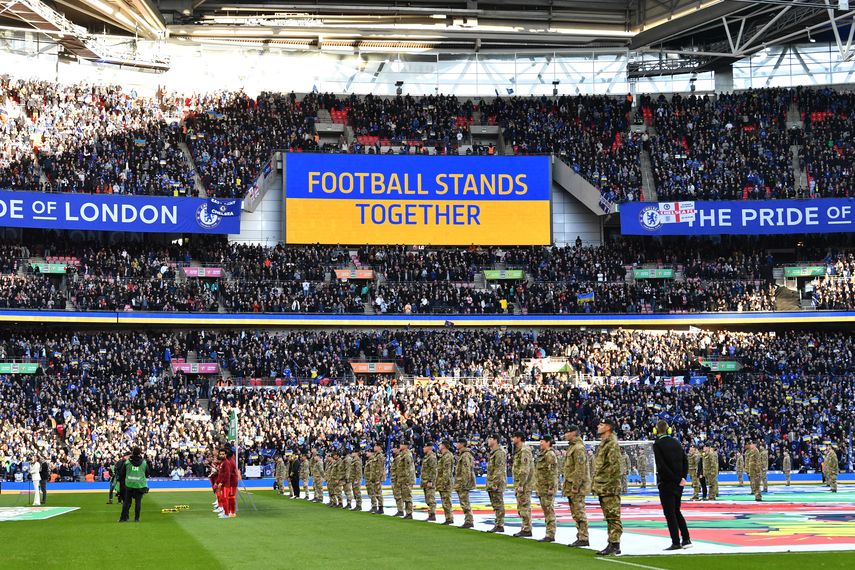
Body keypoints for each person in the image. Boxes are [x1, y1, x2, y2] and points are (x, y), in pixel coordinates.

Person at [651, 420, 691, 551]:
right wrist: (682, 478)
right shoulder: (676, 442)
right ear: (668, 430)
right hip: (679, 483)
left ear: (656, 431)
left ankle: (676, 542)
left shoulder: (657, 444)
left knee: (669, 513)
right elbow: (685, 461)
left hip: (667, 482)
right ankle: (686, 539)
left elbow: (661, 465)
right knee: (677, 510)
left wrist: (674, 478)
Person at [592, 419, 622, 556]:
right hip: (603, 485)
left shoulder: (612, 444)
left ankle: (615, 544)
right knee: (609, 516)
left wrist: (609, 484)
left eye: (602, 424)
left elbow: (615, 467)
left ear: (608, 427)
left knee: (613, 516)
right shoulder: (604, 443)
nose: (598, 426)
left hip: (609, 486)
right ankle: (612, 542)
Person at [563, 425, 590, 547]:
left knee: (579, 511)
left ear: (573, 433)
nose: (565, 434)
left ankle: (584, 537)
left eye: (567, 432)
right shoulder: (573, 447)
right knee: (576, 512)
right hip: (571, 485)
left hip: (576, 486)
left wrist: (575, 485)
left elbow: (580, 469)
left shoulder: (578, 448)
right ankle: (580, 535)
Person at [535, 435, 558, 542]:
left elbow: (553, 472)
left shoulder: (550, 455)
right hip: (542, 488)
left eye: (542, 441)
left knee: (549, 511)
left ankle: (550, 534)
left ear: (548, 442)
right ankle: (548, 533)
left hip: (547, 488)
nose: (540, 443)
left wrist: (551, 487)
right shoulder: (542, 454)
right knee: (546, 511)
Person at [118, 447, 151, 523]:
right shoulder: (143, 462)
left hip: (129, 485)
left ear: (132, 453)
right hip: (140, 485)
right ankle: (136, 518)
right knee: (138, 502)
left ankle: (123, 518)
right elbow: (148, 473)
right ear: (140, 453)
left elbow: (122, 473)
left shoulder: (127, 462)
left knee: (126, 502)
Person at [511, 431, 534, 538]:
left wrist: (521, 484)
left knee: (524, 506)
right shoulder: (519, 450)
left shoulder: (524, 450)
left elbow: (524, 469)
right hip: (521, 483)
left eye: (514, 437)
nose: (512, 439)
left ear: (519, 438)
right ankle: (525, 527)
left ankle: (527, 529)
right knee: (521, 506)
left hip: (524, 484)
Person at [485, 434, 506, 533]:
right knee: (495, 504)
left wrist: (495, 483)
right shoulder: (493, 452)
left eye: (490, 439)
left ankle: (500, 524)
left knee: (498, 504)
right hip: (492, 482)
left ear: (495, 440)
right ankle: (498, 523)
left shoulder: (499, 452)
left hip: (496, 483)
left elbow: (499, 469)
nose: (488, 441)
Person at [454, 437, 476, 528]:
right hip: (461, 482)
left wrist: (464, 482)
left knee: (465, 502)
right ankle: (468, 520)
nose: (456, 445)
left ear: (462, 444)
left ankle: (469, 520)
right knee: (464, 502)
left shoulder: (465, 455)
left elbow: (466, 470)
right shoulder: (463, 454)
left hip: (463, 482)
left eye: (458, 443)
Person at [436, 440, 455, 525]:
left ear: (444, 446)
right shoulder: (444, 456)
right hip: (442, 482)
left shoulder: (448, 456)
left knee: (446, 501)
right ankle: (448, 517)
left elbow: (446, 471)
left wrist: (444, 482)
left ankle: (449, 518)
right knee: (444, 501)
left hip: (445, 483)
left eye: (440, 445)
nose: (439, 446)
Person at [218, 447, 239, 518]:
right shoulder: (229, 461)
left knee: (231, 497)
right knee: (229, 497)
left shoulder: (230, 462)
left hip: (232, 482)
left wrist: (222, 482)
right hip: (230, 481)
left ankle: (232, 512)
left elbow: (227, 474)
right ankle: (229, 511)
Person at [420, 442, 438, 521]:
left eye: (425, 447)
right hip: (425, 481)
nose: (423, 448)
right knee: (428, 498)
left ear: (429, 447)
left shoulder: (431, 457)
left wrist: (430, 480)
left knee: (431, 498)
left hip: (429, 481)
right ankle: (431, 514)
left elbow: (433, 469)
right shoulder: (427, 457)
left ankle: (432, 514)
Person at [398, 441, 415, 518]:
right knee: (405, 495)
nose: (400, 445)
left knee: (407, 496)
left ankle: (409, 513)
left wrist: (407, 480)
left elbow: (408, 469)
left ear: (405, 446)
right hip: (403, 479)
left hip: (407, 479)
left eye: (402, 444)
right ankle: (407, 512)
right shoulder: (403, 455)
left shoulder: (407, 455)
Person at [367, 443, 385, 513]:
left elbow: (380, 468)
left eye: (376, 446)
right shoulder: (375, 456)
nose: (374, 447)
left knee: (378, 493)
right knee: (375, 493)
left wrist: (378, 478)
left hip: (377, 478)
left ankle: (381, 508)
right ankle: (377, 507)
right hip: (374, 477)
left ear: (379, 447)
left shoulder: (380, 456)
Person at [390, 443, 403, 516]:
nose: (393, 449)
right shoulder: (396, 458)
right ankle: (399, 509)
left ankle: (401, 510)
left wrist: (399, 480)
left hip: (398, 479)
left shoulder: (399, 458)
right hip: (395, 479)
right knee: (396, 495)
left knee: (399, 495)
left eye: (395, 448)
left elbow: (399, 470)